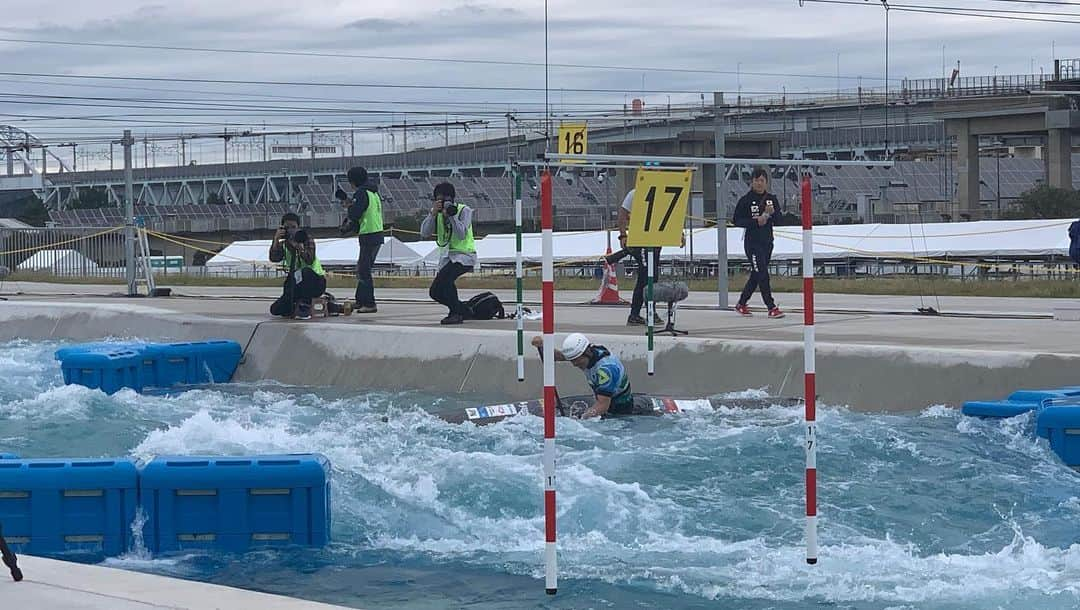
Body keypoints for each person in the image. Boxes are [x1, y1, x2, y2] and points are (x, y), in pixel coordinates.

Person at [530, 333, 632, 419]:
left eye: (577, 360)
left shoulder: (606, 370)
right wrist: (542, 346)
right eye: (572, 360)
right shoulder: (587, 354)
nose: (574, 364)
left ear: (587, 353)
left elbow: (602, 405)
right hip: (605, 403)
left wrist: (582, 420)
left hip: (619, 411)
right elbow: (560, 356)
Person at [420, 182, 476, 325]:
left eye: (446, 200)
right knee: (435, 292)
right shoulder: (436, 214)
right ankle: (463, 310)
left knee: (446, 280)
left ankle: (456, 313)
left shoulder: (464, 210)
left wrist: (451, 216)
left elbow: (462, 234)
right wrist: (433, 214)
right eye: (440, 200)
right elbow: (424, 233)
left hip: (464, 256)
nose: (443, 203)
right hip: (446, 257)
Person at [732, 167, 784, 318]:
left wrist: (772, 213)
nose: (759, 183)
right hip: (752, 243)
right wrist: (755, 221)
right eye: (756, 180)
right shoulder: (746, 200)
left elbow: (780, 220)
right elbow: (736, 220)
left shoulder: (771, 199)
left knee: (756, 275)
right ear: (752, 182)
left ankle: (741, 303)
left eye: (762, 180)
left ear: (766, 182)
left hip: (767, 242)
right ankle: (771, 306)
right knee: (762, 274)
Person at [337, 166, 383, 313]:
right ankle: (361, 300)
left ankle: (369, 303)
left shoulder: (361, 193)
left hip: (369, 235)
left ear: (353, 181)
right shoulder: (372, 192)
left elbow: (356, 213)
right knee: (363, 268)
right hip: (376, 233)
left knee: (364, 270)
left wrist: (349, 207)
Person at [616, 188, 663, 326]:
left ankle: (642, 313)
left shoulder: (661, 193)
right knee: (647, 277)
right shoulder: (635, 193)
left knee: (651, 278)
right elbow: (622, 214)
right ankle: (642, 313)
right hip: (640, 241)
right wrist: (623, 234)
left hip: (656, 240)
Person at [269, 213, 326, 320]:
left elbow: (309, 260)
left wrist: (300, 248)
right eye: (287, 228)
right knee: (276, 309)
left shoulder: (306, 239)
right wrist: (276, 240)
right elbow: (274, 258)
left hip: (315, 281)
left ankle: (305, 306)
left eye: (293, 227)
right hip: (297, 282)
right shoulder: (284, 244)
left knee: (305, 272)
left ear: (299, 227)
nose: (291, 230)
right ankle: (294, 304)